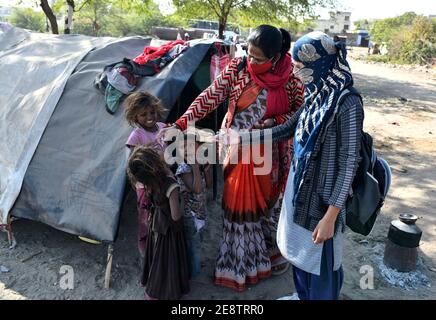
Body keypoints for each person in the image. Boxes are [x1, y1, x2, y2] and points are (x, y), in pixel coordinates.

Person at [161, 25, 304, 291]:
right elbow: (211, 96)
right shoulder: (238, 68)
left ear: (275, 58)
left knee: (268, 207)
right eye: (249, 54)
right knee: (236, 205)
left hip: (271, 154)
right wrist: (181, 123)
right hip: (235, 150)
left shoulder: (292, 80)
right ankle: (241, 265)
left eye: (259, 59)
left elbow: (299, 116)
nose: (252, 61)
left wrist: (274, 121)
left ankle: (272, 255)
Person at [237, 31, 364, 300]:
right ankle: (302, 295)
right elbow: (286, 129)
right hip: (301, 186)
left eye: (299, 66)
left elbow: (349, 163)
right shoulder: (315, 93)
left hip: (324, 199)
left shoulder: (347, 102)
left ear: (317, 64)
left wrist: (330, 217)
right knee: (300, 254)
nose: (295, 72)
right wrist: (243, 138)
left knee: (322, 263)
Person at [126, 146, 190, 300]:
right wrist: (184, 202)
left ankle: (153, 281)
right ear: (156, 162)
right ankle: (165, 288)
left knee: (156, 255)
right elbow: (175, 216)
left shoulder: (151, 182)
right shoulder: (171, 184)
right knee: (167, 260)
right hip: (169, 229)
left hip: (156, 222)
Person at [124, 91, 167, 258]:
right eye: (143, 114)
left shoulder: (162, 128)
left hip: (163, 180)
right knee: (146, 217)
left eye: (152, 112)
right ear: (135, 117)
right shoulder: (137, 135)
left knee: (162, 214)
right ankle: (146, 252)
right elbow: (132, 163)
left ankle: (162, 247)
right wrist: (148, 151)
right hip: (146, 185)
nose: (149, 117)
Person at [175, 130, 213, 278]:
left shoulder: (201, 163)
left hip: (200, 212)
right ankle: (193, 274)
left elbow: (209, 185)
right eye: (183, 147)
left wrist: (207, 167)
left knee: (198, 242)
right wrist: (196, 166)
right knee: (193, 246)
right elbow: (197, 189)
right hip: (190, 216)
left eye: (191, 145)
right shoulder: (184, 168)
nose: (187, 150)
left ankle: (193, 266)